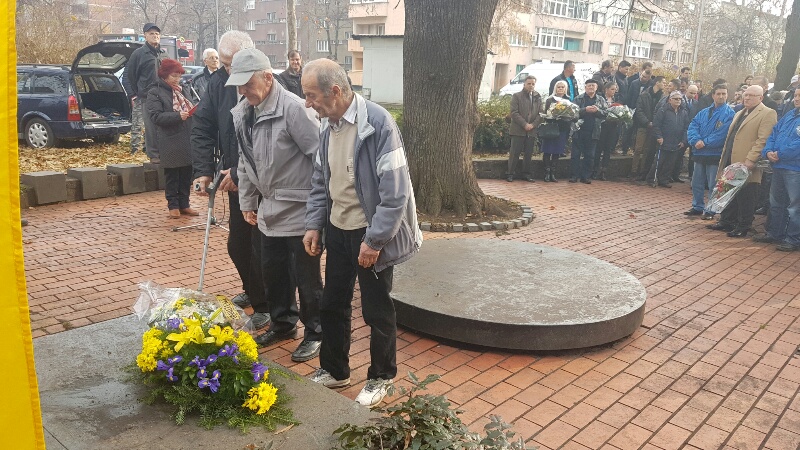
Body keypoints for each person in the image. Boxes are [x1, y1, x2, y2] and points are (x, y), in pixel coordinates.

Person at [302, 58, 422, 407]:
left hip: (370, 234)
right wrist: (314, 224)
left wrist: (375, 240)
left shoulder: (378, 123)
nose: (308, 103)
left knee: (376, 309)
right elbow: (320, 182)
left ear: (335, 91)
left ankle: (381, 376)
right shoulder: (327, 126)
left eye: (312, 95)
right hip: (338, 229)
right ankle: (335, 370)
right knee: (332, 303)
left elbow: (395, 192)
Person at [225, 48, 323, 362]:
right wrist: (247, 202)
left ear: (268, 78)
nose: (243, 90)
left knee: (306, 278)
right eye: (238, 85)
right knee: (274, 273)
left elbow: (322, 159)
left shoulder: (294, 109)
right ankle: (283, 325)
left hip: (300, 210)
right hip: (268, 210)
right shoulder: (243, 112)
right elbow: (245, 161)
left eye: (247, 83)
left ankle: (316, 332)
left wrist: (319, 213)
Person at [191, 31, 271, 332]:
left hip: (265, 184)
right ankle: (253, 290)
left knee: (262, 248)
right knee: (238, 245)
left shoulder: (267, 83)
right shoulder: (218, 83)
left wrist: (239, 173)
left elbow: (265, 143)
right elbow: (203, 126)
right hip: (233, 179)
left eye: (231, 64)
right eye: (223, 65)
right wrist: (204, 170)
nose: (227, 71)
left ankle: (269, 305)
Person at [707, 85, 778, 237]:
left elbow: (763, 139)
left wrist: (751, 159)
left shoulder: (768, 113)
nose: (747, 98)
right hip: (731, 159)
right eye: (746, 95)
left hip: (747, 162)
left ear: (761, 97)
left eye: (751, 95)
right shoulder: (740, 112)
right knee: (728, 190)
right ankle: (727, 220)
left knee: (747, 194)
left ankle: (744, 225)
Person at [145, 59, 198, 218]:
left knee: (186, 172)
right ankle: (173, 205)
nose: (177, 79)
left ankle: (185, 204)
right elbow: (155, 116)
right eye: (174, 76)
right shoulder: (155, 92)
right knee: (172, 174)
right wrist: (177, 116)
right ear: (164, 75)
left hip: (186, 135)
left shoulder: (183, 89)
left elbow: (190, 105)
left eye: (179, 76)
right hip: (169, 138)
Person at [753, 90, 800, 251]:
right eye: (796, 96)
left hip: (795, 168)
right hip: (779, 166)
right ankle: (775, 233)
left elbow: (798, 144)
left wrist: (780, 154)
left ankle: (793, 238)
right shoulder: (789, 115)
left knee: (795, 206)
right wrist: (768, 151)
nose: (796, 99)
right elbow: (774, 133)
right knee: (776, 202)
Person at [685, 84, 734, 219]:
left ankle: (711, 210)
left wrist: (704, 142)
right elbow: (693, 126)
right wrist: (696, 140)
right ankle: (697, 206)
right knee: (696, 182)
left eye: (724, 94)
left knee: (713, 184)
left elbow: (723, 134)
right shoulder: (703, 112)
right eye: (718, 94)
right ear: (713, 95)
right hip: (699, 153)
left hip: (715, 154)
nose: (721, 96)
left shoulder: (730, 114)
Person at [124, 23, 167, 162]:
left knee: (163, 124)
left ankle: (164, 152)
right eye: (151, 33)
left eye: (157, 34)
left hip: (164, 95)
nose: (155, 36)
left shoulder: (164, 53)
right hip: (146, 96)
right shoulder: (138, 54)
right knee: (150, 126)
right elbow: (130, 76)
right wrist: (136, 93)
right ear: (145, 36)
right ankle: (153, 155)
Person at [646, 91, 689, 188]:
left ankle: (664, 179)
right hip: (664, 140)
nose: (678, 101)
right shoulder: (663, 110)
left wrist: (683, 140)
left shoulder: (684, 112)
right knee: (659, 161)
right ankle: (651, 179)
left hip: (676, 141)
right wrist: (659, 136)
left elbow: (686, 127)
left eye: (680, 99)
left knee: (670, 163)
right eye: (676, 99)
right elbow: (656, 125)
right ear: (670, 100)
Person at [570, 78, 607, 184]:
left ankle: (585, 176)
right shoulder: (578, 98)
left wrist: (597, 111)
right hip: (578, 131)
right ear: (585, 87)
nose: (591, 87)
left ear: (596, 87)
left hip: (593, 132)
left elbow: (606, 113)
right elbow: (572, 113)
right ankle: (574, 176)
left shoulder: (601, 99)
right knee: (575, 155)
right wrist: (584, 110)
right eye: (589, 85)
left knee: (590, 156)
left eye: (593, 85)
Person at [507, 75, 542, 182]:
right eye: (529, 83)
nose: (531, 86)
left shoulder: (537, 97)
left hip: (531, 131)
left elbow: (541, 114)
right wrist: (524, 124)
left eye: (533, 84)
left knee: (528, 153)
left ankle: (526, 174)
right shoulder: (517, 96)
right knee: (514, 153)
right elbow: (514, 112)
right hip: (518, 130)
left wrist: (533, 125)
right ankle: (510, 173)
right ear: (524, 84)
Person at [541, 81, 574, 182]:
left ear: (565, 89)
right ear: (555, 88)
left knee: (557, 152)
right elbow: (545, 114)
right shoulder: (550, 100)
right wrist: (553, 115)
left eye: (562, 87)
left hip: (562, 129)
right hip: (551, 128)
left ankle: (553, 173)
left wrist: (565, 116)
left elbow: (572, 115)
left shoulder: (568, 100)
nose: (560, 89)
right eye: (558, 87)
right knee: (547, 151)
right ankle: (546, 172)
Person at [633, 76, 664, 180]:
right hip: (643, 126)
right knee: (638, 149)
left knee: (647, 150)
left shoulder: (662, 97)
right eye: (663, 82)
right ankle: (633, 171)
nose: (664, 84)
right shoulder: (644, 94)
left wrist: (655, 123)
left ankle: (642, 172)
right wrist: (647, 122)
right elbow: (639, 110)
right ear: (657, 83)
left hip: (654, 127)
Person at [593, 82, 619, 181]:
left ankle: (604, 170)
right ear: (606, 89)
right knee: (599, 148)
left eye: (615, 89)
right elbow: (598, 111)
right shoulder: (600, 98)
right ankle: (595, 170)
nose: (614, 91)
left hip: (612, 127)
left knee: (608, 149)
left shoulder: (615, 99)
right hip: (602, 126)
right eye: (612, 89)